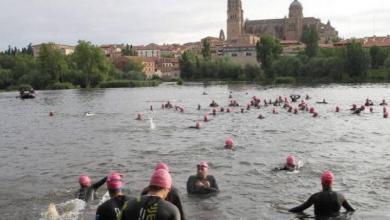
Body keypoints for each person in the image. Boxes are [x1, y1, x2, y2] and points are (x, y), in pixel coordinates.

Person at [289, 171, 355, 218]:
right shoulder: (340, 196)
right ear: (332, 182)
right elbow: (351, 210)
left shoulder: (316, 196)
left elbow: (300, 209)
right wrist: (343, 217)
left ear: (322, 182)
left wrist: (284, 211)